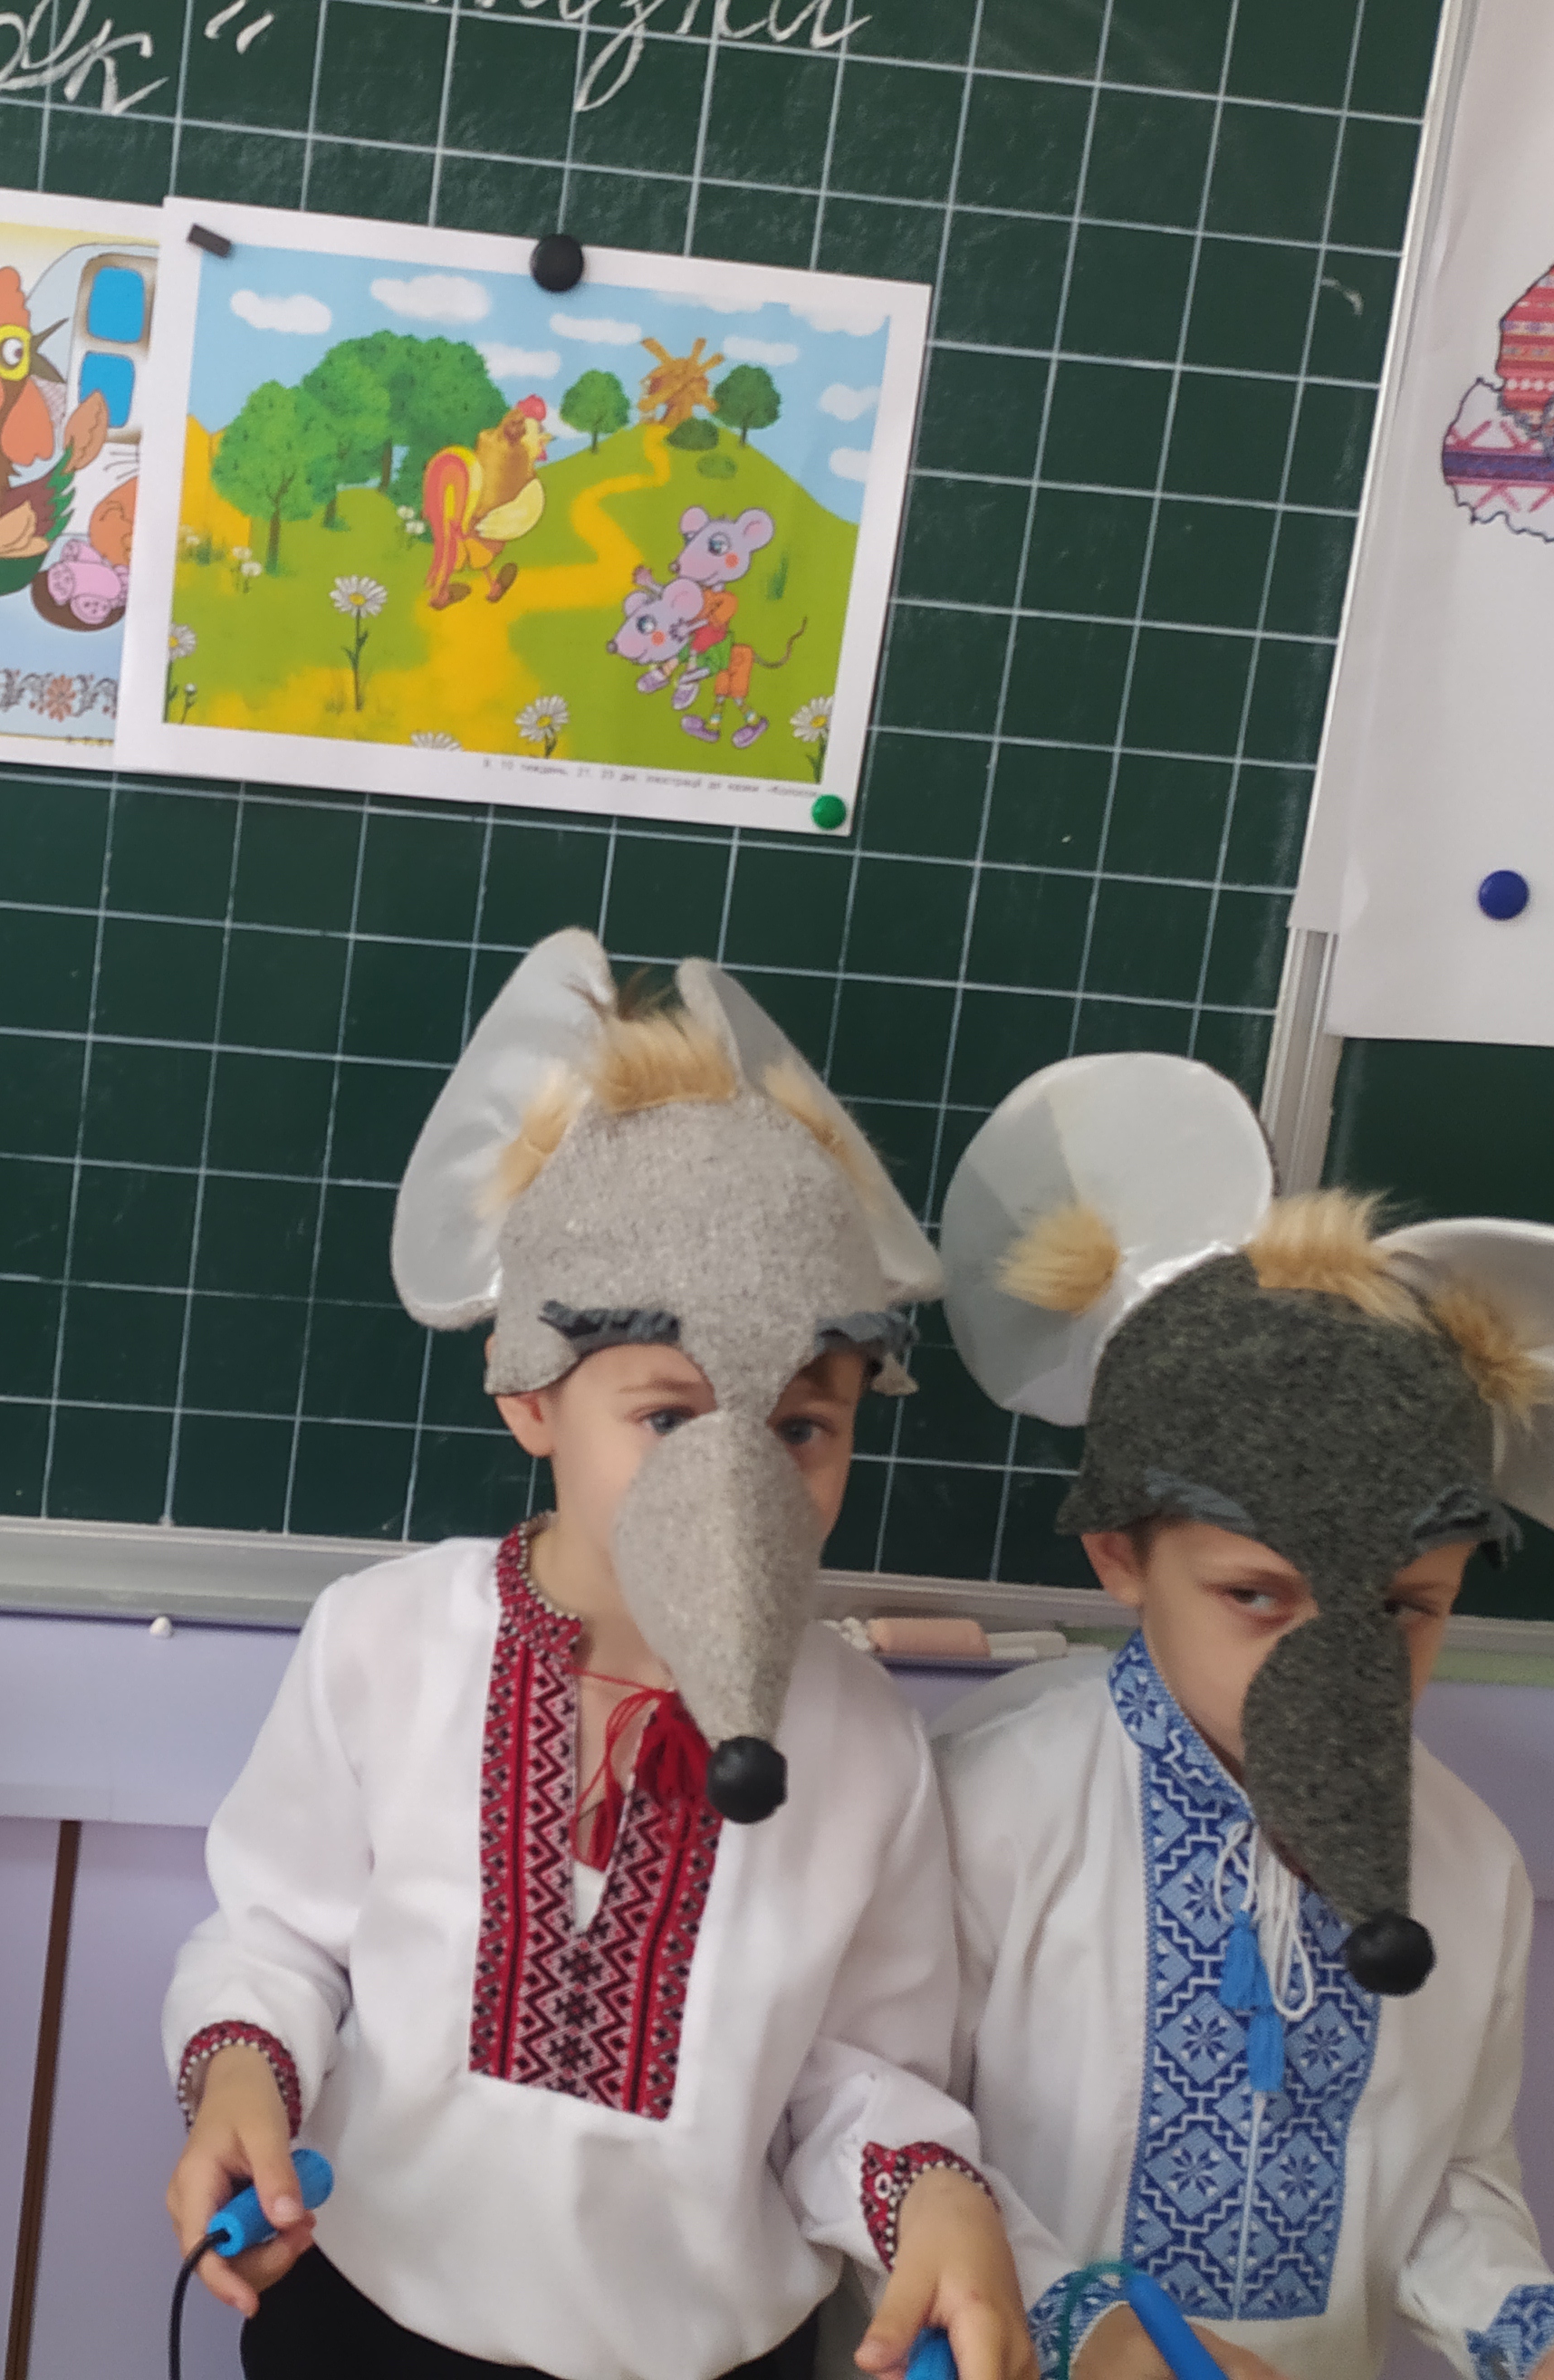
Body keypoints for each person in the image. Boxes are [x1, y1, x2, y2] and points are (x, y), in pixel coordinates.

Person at [162, 932, 1036, 2380]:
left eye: (800, 1426)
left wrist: (927, 2190)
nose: (738, 1484)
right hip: (368, 2317)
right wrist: (243, 2073)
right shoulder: (388, 1640)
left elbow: (854, 2079)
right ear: (530, 1395)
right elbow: (276, 1937)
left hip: (703, 2354)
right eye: (668, 1417)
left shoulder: (861, 1740)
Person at [928, 1052, 1554, 2380]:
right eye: (1258, 1596)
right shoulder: (988, 1804)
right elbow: (888, 2140)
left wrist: (1552, 2339)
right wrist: (1102, 2336)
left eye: (1404, 1608)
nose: (1336, 1667)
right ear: (1121, 1555)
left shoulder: (1465, 1861)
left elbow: (1446, 2186)